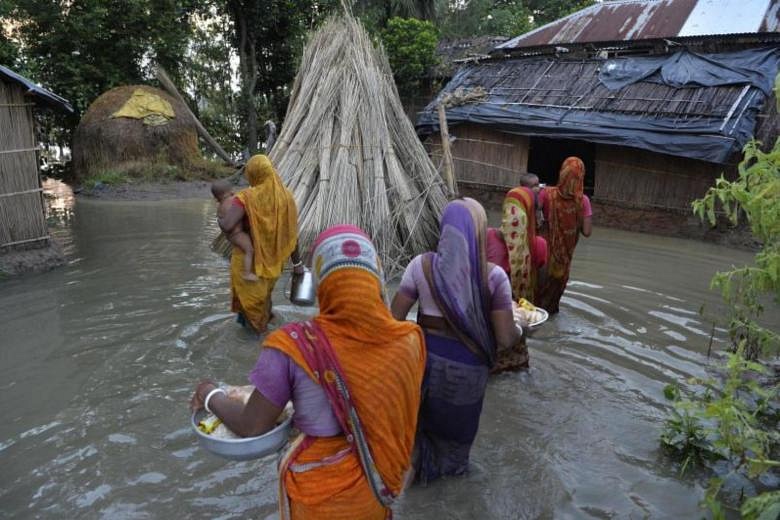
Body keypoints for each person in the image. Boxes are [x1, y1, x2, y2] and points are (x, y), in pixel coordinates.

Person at [191, 225, 426, 519]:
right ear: (375, 278)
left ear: (321, 283)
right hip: (377, 488)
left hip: (318, 495)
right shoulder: (409, 340)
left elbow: (251, 426)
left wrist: (209, 393)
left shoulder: (293, 346)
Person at [390, 198, 524, 484]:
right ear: (478, 232)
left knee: (416, 443)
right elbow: (504, 338)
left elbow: (392, 322)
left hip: (422, 368)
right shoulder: (494, 278)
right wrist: (520, 329)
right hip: (467, 377)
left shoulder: (419, 266)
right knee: (455, 453)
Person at [217, 154, 302, 333]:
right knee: (264, 305)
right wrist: (298, 264)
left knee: (252, 316)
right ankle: (269, 335)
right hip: (272, 266)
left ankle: (254, 349)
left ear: (253, 173)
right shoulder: (287, 198)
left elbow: (228, 225)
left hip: (250, 267)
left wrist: (220, 219)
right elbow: (292, 234)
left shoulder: (246, 198)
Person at [536, 156, 593, 314]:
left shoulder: (546, 193)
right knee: (552, 302)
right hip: (563, 260)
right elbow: (587, 232)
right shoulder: (583, 201)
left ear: (562, 173)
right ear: (581, 177)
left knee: (535, 295)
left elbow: (534, 216)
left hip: (543, 254)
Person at [501, 186, 548, 303]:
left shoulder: (488, 237)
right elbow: (541, 284)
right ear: (530, 211)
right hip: (525, 309)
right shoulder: (539, 244)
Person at [211, 180, 258, 282]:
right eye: (231, 191)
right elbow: (241, 201)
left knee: (247, 250)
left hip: (231, 236)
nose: (233, 192)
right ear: (226, 194)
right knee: (249, 250)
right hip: (238, 234)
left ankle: (247, 272)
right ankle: (247, 273)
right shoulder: (232, 201)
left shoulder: (220, 206)